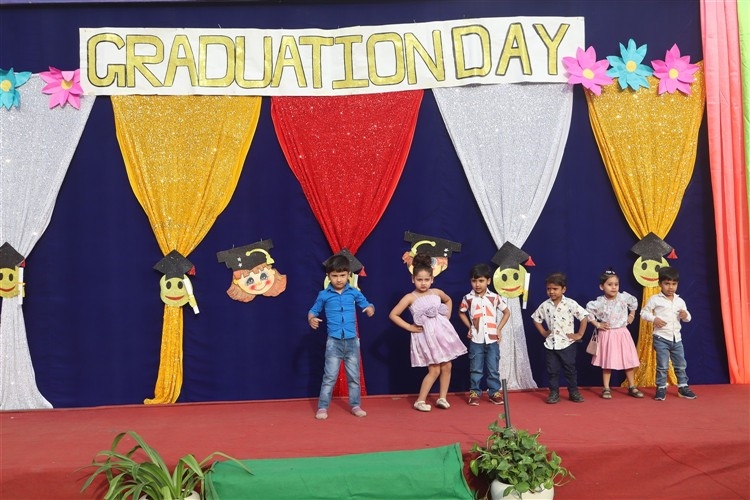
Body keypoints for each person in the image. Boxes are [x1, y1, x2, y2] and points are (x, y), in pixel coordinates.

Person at [389, 253, 467, 412]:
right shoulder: (410, 297)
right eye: (419, 279)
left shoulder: (436, 292)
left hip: (442, 335)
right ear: (413, 279)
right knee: (434, 369)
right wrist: (410, 327)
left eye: (426, 279)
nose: (423, 283)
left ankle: (442, 398)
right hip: (426, 337)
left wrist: (446, 316)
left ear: (432, 279)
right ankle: (420, 400)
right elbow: (393, 314)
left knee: (447, 365)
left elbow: (448, 300)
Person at [308, 252, 375, 420]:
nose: (339, 279)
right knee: (329, 377)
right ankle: (322, 407)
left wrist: (369, 309)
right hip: (334, 342)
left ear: (349, 275)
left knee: (354, 377)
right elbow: (313, 311)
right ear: (328, 276)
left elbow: (367, 304)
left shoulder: (353, 292)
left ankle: (355, 405)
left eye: (342, 275)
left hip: (352, 341)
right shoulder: (324, 295)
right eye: (335, 276)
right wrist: (311, 319)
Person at [531, 272, 588, 404]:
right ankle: (554, 393)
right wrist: (543, 332)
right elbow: (536, 319)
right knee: (552, 370)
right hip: (551, 345)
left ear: (563, 289)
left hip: (567, 344)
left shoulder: (570, 303)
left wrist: (579, 334)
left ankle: (573, 392)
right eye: (549, 289)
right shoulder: (545, 305)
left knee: (570, 369)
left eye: (555, 289)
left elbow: (584, 317)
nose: (551, 292)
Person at [586, 269, 643, 399]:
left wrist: (632, 315)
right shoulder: (599, 302)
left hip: (622, 333)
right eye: (610, 284)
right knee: (608, 362)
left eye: (616, 284)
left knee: (628, 360)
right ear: (602, 287)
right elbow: (588, 311)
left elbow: (634, 302)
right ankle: (606, 388)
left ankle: (632, 386)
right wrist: (597, 324)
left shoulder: (623, 297)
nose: (613, 287)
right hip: (607, 334)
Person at [640, 266, 696, 401]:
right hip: (661, 337)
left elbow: (688, 318)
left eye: (674, 284)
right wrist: (654, 319)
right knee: (663, 365)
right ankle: (661, 387)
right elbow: (643, 312)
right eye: (667, 283)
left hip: (677, 339)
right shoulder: (655, 299)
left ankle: (683, 387)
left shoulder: (680, 301)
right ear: (660, 284)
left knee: (680, 364)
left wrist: (685, 315)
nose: (670, 287)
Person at [459, 263, 510, 406]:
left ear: (488, 281)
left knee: (493, 368)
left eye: (481, 281)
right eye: (474, 281)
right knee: (476, 368)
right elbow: (461, 313)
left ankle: (494, 392)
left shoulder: (494, 297)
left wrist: (498, 329)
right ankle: (475, 392)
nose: (477, 284)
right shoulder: (468, 298)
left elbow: (506, 312)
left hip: (492, 339)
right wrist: (470, 327)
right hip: (476, 339)